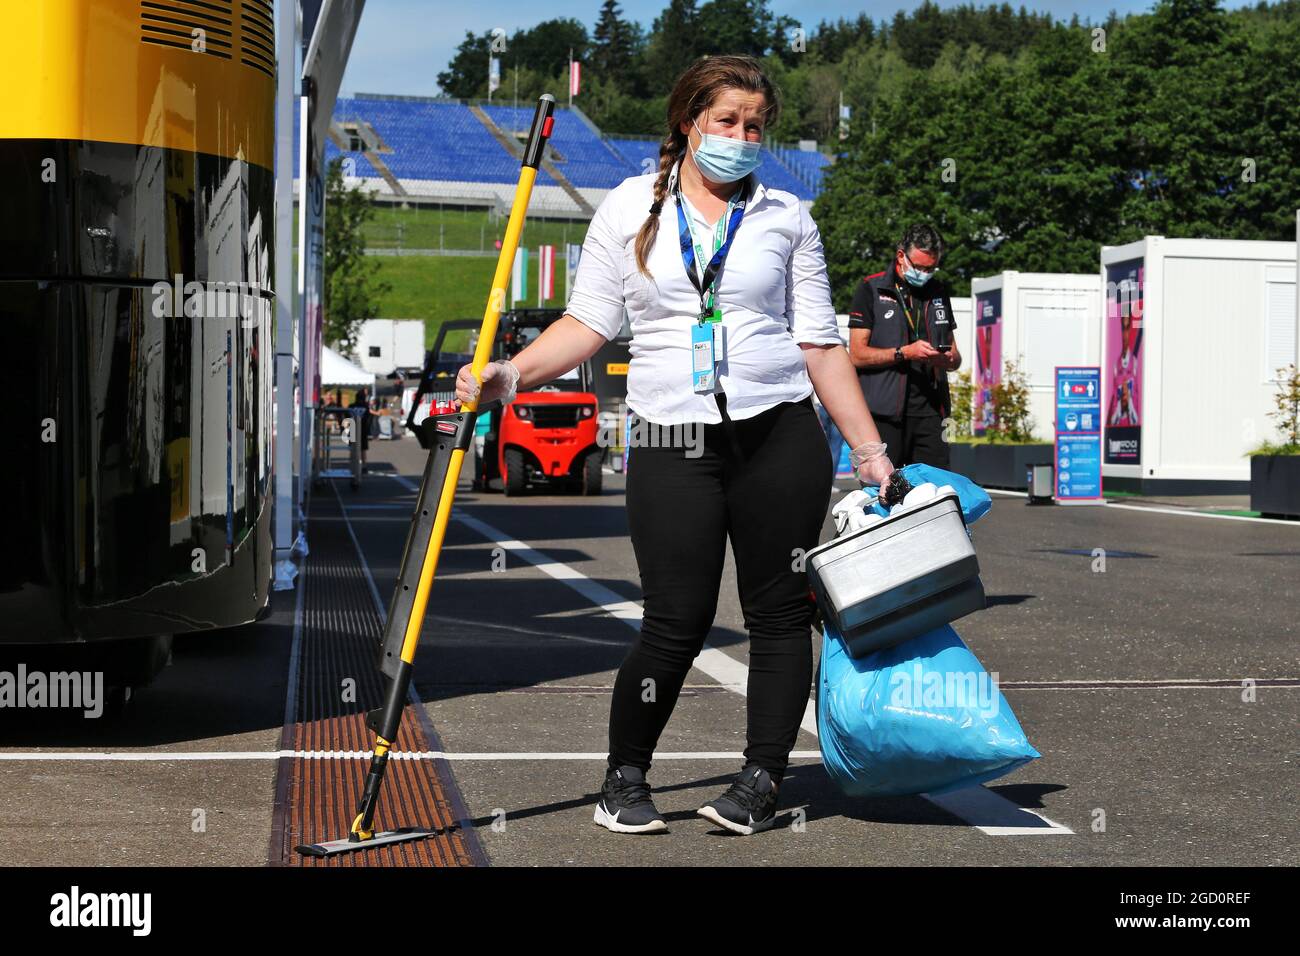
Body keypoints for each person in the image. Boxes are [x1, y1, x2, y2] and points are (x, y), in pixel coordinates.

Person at [456, 55, 895, 836]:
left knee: (779, 616)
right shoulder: (626, 209)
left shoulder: (788, 216)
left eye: (755, 126)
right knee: (676, 619)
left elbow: (821, 344)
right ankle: (624, 780)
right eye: (727, 121)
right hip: (672, 436)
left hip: (780, 435)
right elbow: (588, 324)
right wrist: (511, 375)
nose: (741, 137)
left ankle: (760, 781)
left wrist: (867, 451)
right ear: (689, 121)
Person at [846, 224, 962, 468]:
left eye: (931, 268)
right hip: (883, 413)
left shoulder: (938, 292)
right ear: (901, 256)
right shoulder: (871, 289)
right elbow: (856, 354)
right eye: (919, 267)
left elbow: (955, 355)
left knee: (935, 489)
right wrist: (904, 353)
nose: (924, 273)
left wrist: (946, 359)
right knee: (885, 490)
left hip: (931, 412)